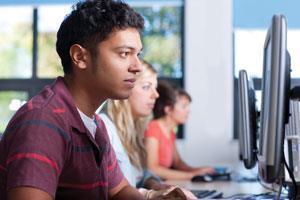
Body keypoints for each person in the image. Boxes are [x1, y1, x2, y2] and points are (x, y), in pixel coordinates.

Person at [0, 0, 148, 199]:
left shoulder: (95, 125)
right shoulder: (43, 122)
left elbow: (119, 191)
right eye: (124, 53)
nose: (137, 66)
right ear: (80, 57)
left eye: (138, 54)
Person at [100, 61, 197, 199]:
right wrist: (149, 194)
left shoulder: (132, 132)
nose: (156, 95)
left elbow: (140, 175)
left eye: (155, 88)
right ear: (124, 88)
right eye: (146, 87)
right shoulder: (104, 128)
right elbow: (110, 191)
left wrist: (156, 186)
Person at [145, 80, 215, 180]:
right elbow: (152, 168)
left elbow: (177, 162)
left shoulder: (170, 131)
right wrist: (191, 176)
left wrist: (196, 171)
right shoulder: (153, 128)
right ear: (168, 109)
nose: (188, 110)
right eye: (184, 106)